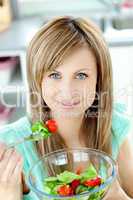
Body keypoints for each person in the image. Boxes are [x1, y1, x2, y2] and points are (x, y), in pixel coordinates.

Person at [0, 16, 133, 200]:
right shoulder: (11, 146)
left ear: (99, 80)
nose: (68, 91)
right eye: (55, 75)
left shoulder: (113, 130)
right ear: (37, 80)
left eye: (81, 75)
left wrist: (118, 196)